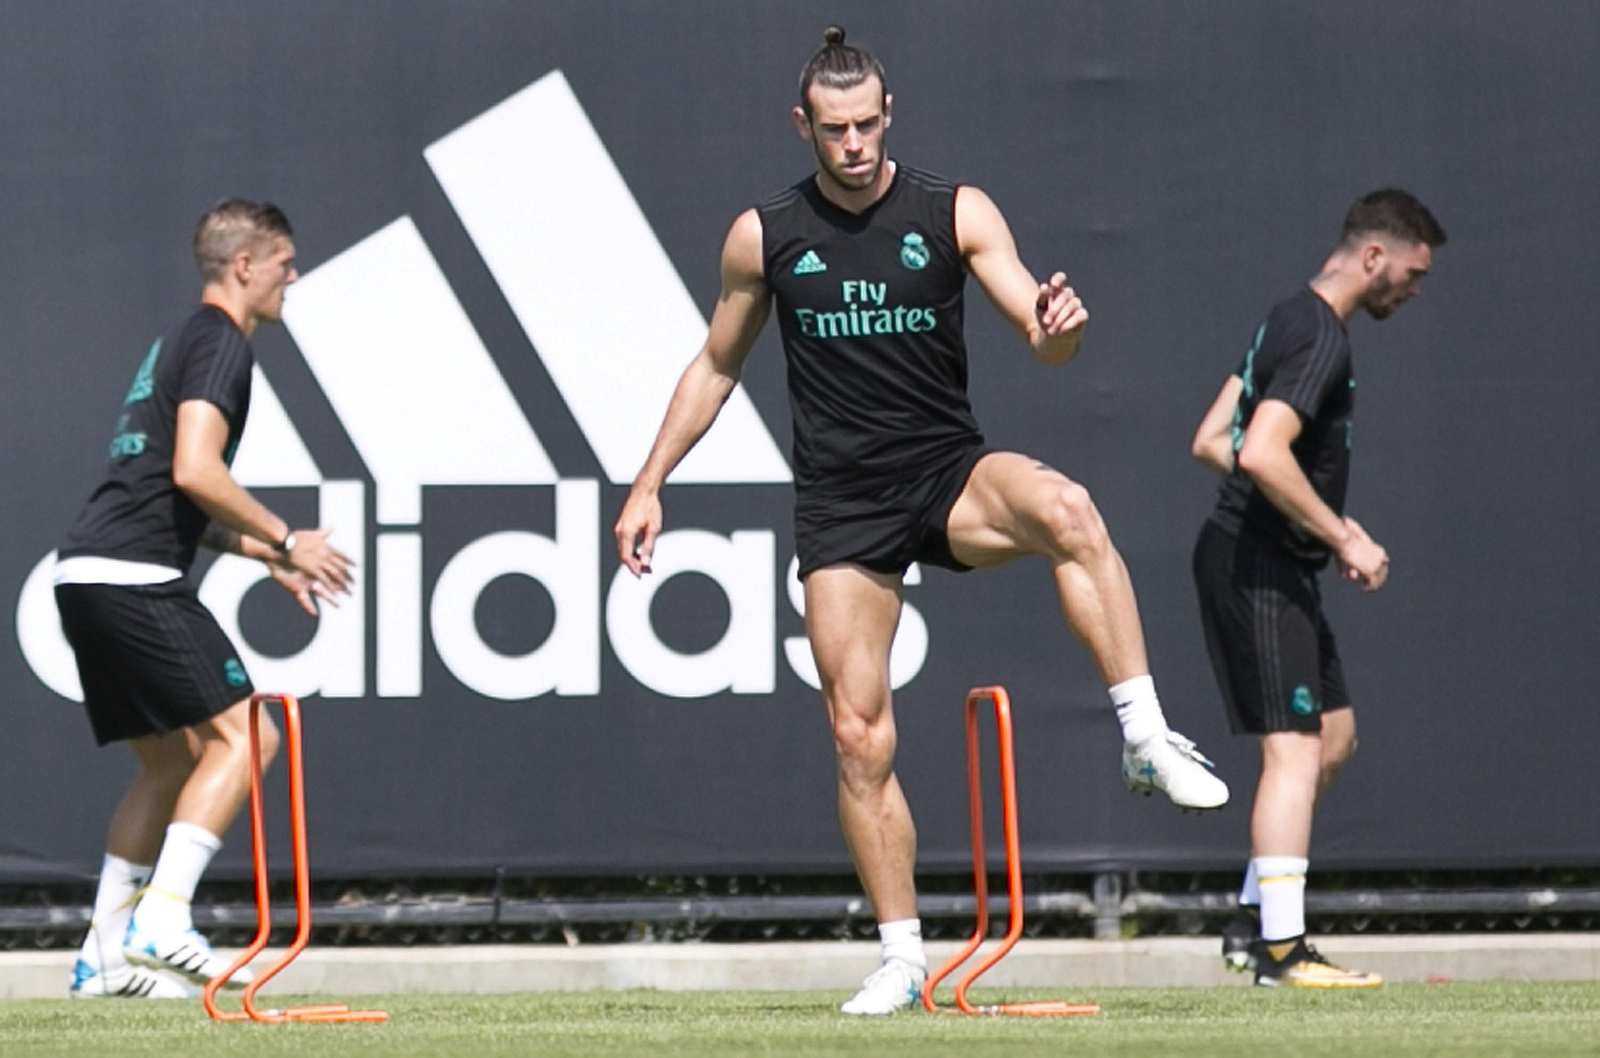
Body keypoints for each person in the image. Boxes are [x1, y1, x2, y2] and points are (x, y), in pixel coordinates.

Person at [615, 27, 1229, 1016]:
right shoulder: (763, 235)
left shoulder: (953, 210)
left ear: (888, 115)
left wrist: (1059, 331)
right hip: (841, 503)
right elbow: (716, 364)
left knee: (1069, 508)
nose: (852, 143)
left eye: (866, 124)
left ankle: (1143, 732)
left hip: (945, 472)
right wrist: (649, 482)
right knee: (858, 733)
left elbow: (1039, 330)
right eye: (833, 128)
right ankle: (901, 954)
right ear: (802, 126)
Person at [54, 200, 352, 999]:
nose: (296, 275)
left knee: (166, 765)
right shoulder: (221, 341)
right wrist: (290, 539)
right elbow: (195, 471)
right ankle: (164, 917)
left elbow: (171, 494)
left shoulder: (183, 338)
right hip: (131, 578)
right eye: (285, 261)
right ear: (244, 267)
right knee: (246, 735)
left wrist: (262, 556)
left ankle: (103, 961)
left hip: (84, 575)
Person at [1190, 189, 1445, 988]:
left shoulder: (1286, 319)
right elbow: (1261, 453)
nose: (1413, 289)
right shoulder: (1322, 338)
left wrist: (1311, 520)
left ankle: (1250, 922)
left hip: (1273, 556)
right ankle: (1282, 952)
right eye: (1411, 272)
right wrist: (1342, 535)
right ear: (1374, 257)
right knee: (1294, 750)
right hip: (1255, 564)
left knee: (1331, 736)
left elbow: (1212, 440)